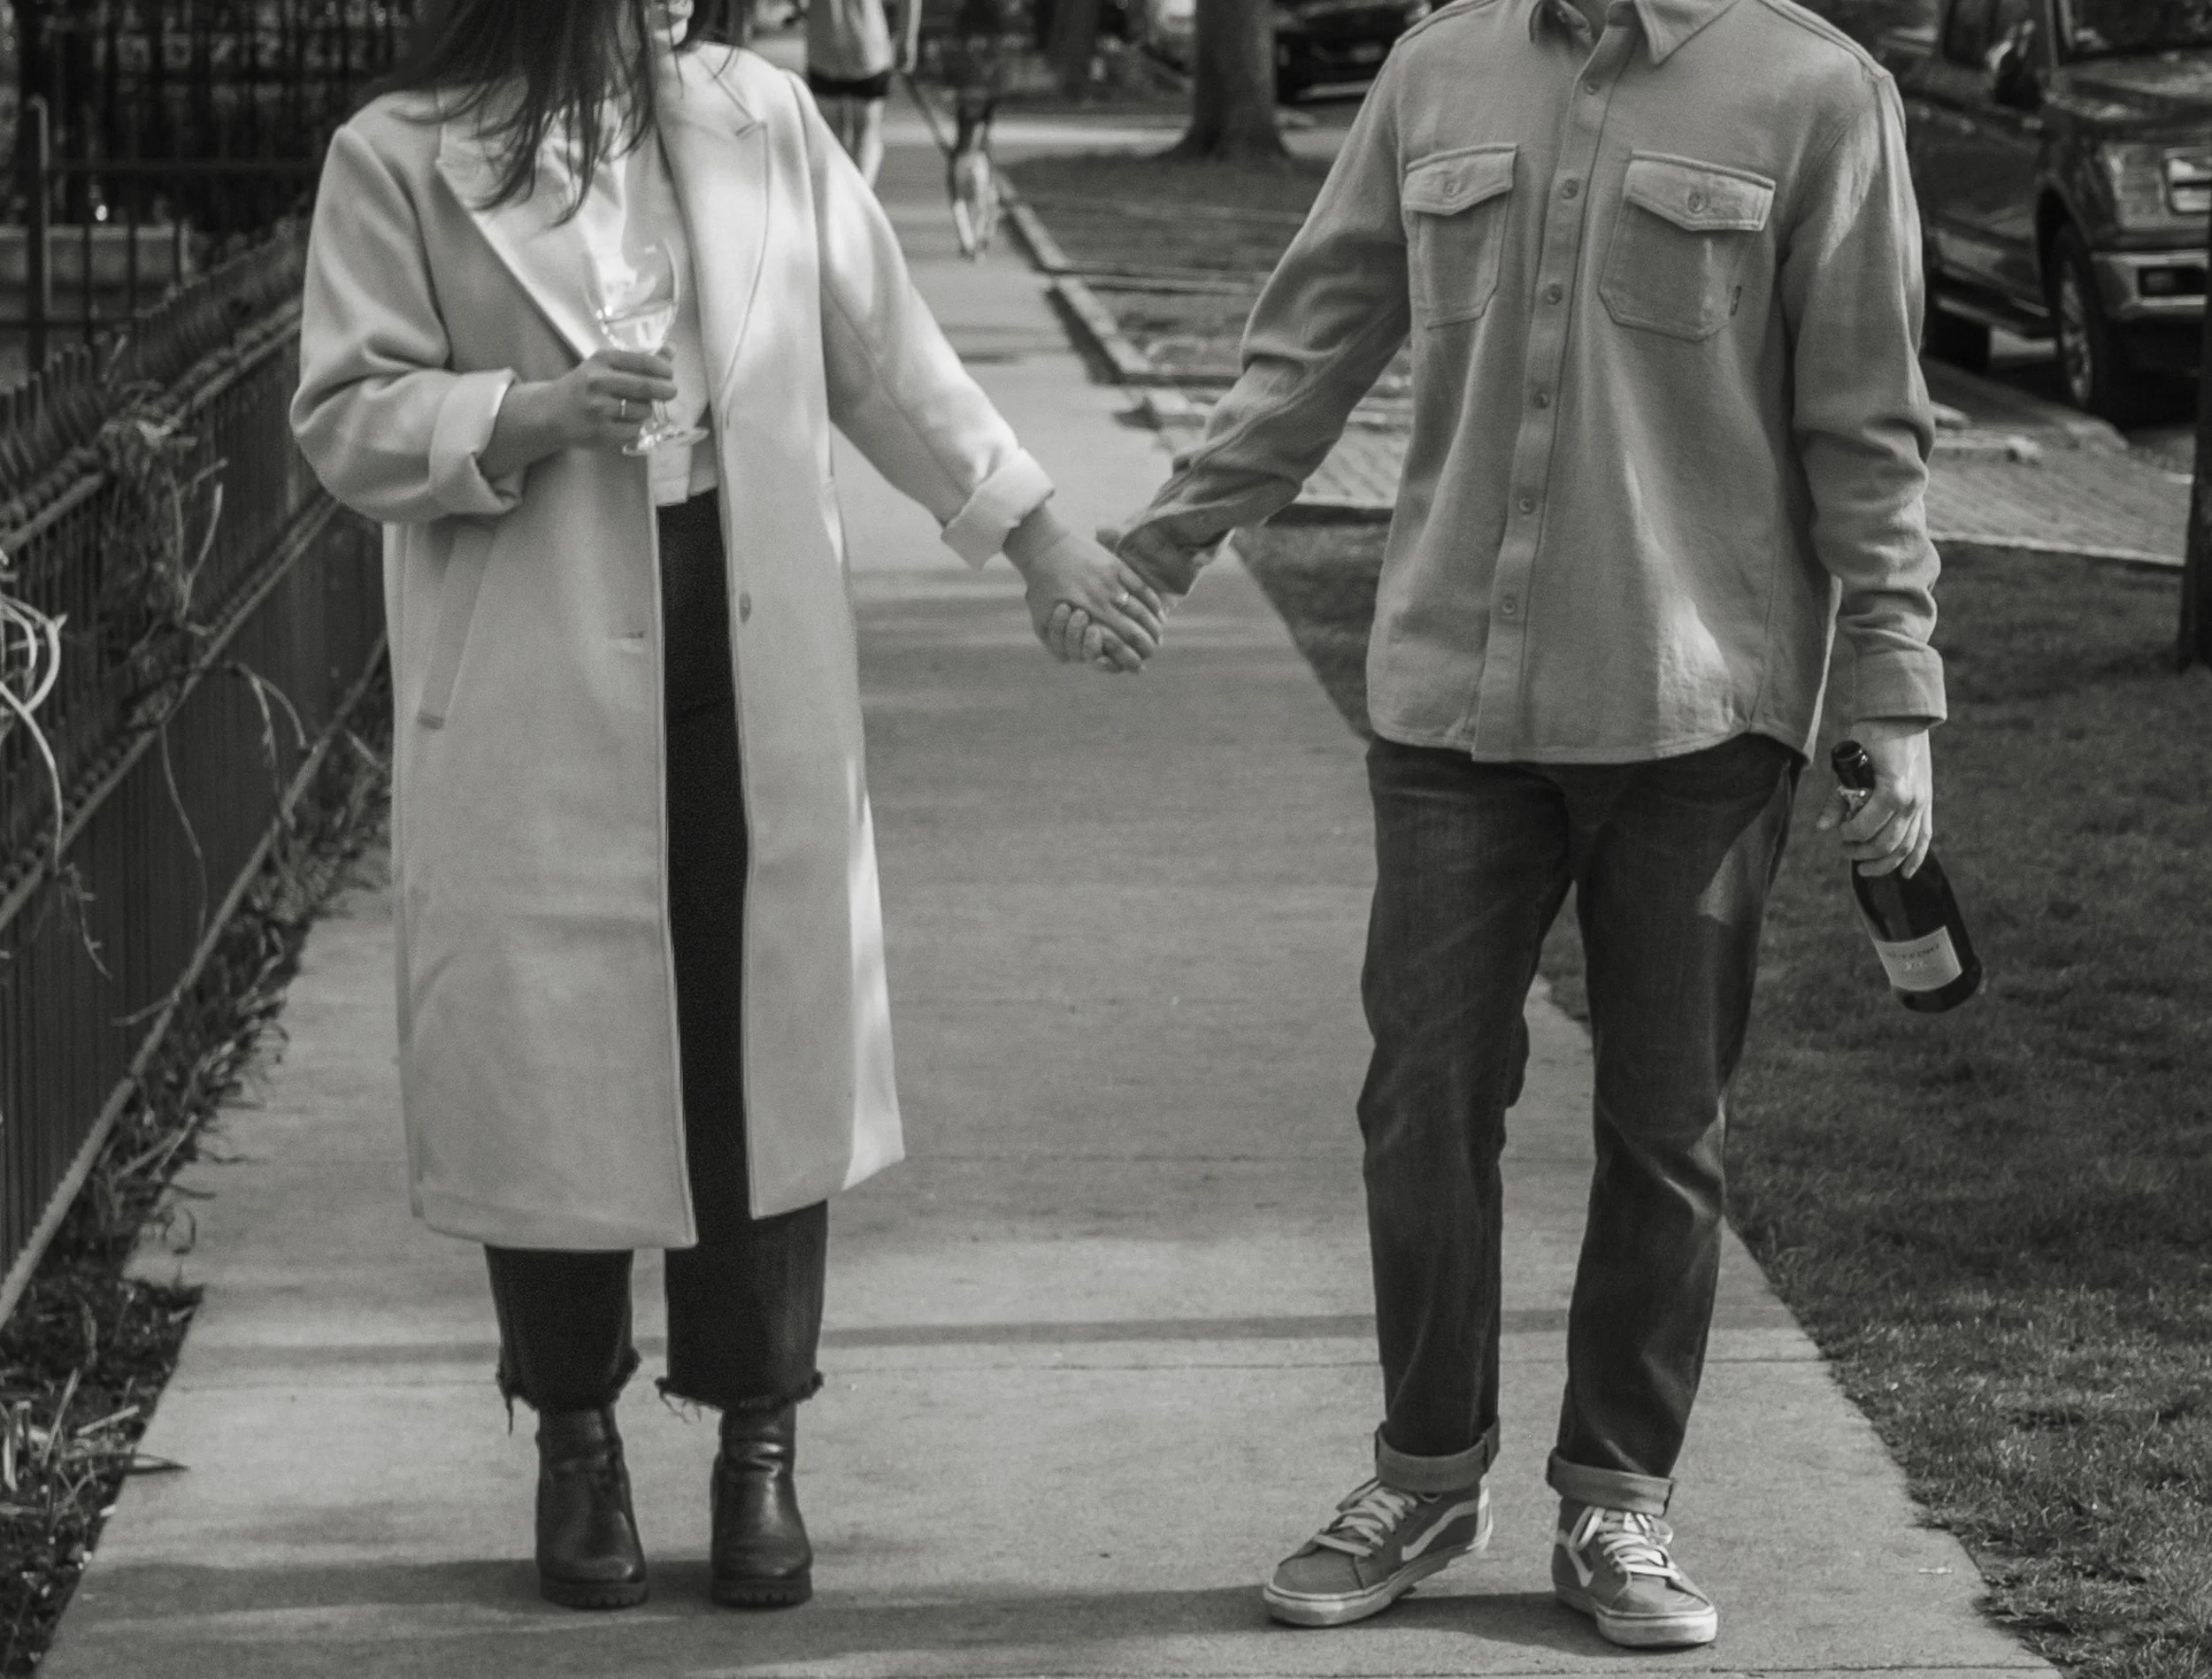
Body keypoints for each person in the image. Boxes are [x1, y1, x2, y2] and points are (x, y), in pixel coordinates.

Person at [291, 0, 1164, 1614]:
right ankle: (575, 1438)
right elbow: (345, 416)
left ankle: (760, 1439)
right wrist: (523, 413)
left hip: (750, 645)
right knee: (554, 1055)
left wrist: (1037, 538)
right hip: (539, 669)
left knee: (754, 1047)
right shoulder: (398, 153)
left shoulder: (760, 114)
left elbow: (883, 357)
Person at [1110, 0, 1944, 1650]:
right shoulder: (1438, 67)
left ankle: (1618, 1498)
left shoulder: (1817, 92)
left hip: (1697, 701)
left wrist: (1896, 690)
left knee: (1665, 1121)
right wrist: (1168, 538)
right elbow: (1318, 334)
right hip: (1454, 703)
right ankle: (1426, 1474)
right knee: (1419, 1096)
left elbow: (1867, 419)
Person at [806, 0, 918, 186]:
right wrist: (908, 39)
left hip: (823, 46)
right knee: (867, 132)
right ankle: (861, 192)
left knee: (831, 135)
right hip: (868, 45)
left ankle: (839, 193)